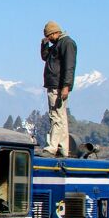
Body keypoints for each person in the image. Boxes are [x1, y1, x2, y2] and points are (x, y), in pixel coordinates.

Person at [40, 20, 77, 158]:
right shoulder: (57, 45)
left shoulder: (67, 43)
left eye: (49, 36)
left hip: (58, 86)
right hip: (54, 85)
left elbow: (69, 66)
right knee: (61, 117)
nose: (48, 39)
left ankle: (52, 147)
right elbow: (45, 57)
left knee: (55, 116)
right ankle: (63, 147)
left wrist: (66, 86)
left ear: (54, 33)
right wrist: (44, 44)